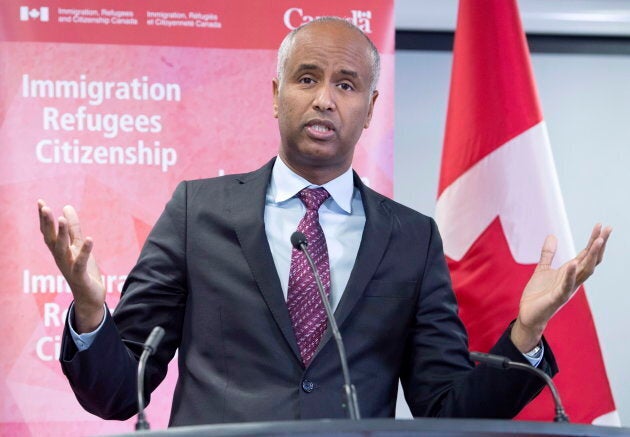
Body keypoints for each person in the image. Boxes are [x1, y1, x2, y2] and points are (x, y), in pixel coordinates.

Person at [38, 17, 611, 426]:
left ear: (369, 108)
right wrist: (91, 311)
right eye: (306, 78)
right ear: (276, 95)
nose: (324, 100)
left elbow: (446, 408)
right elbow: (118, 392)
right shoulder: (197, 211)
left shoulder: (410, 239)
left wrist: (525, 335)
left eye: (346, 84)